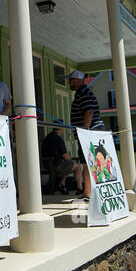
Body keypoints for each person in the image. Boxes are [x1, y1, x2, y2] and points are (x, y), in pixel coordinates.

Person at [68, 70, 106, 199]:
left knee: (89, 164)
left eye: (71, 80)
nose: (70, 83)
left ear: (78, 81)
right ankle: (89, 193)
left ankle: (89, 193)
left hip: (90, 133)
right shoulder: (83, 93)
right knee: (91, 164)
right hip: (93, 132)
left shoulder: (83, 93)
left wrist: (84, 131)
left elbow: (89, 111)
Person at [41, 127, 76, 193]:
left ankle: (62, 183)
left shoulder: (46, 138)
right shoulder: (58, 139)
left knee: (68, 164)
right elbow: (66, 156)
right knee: (77, 166)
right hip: (56, 165)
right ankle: (79, 188)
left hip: (46, 165)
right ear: (61, 129)